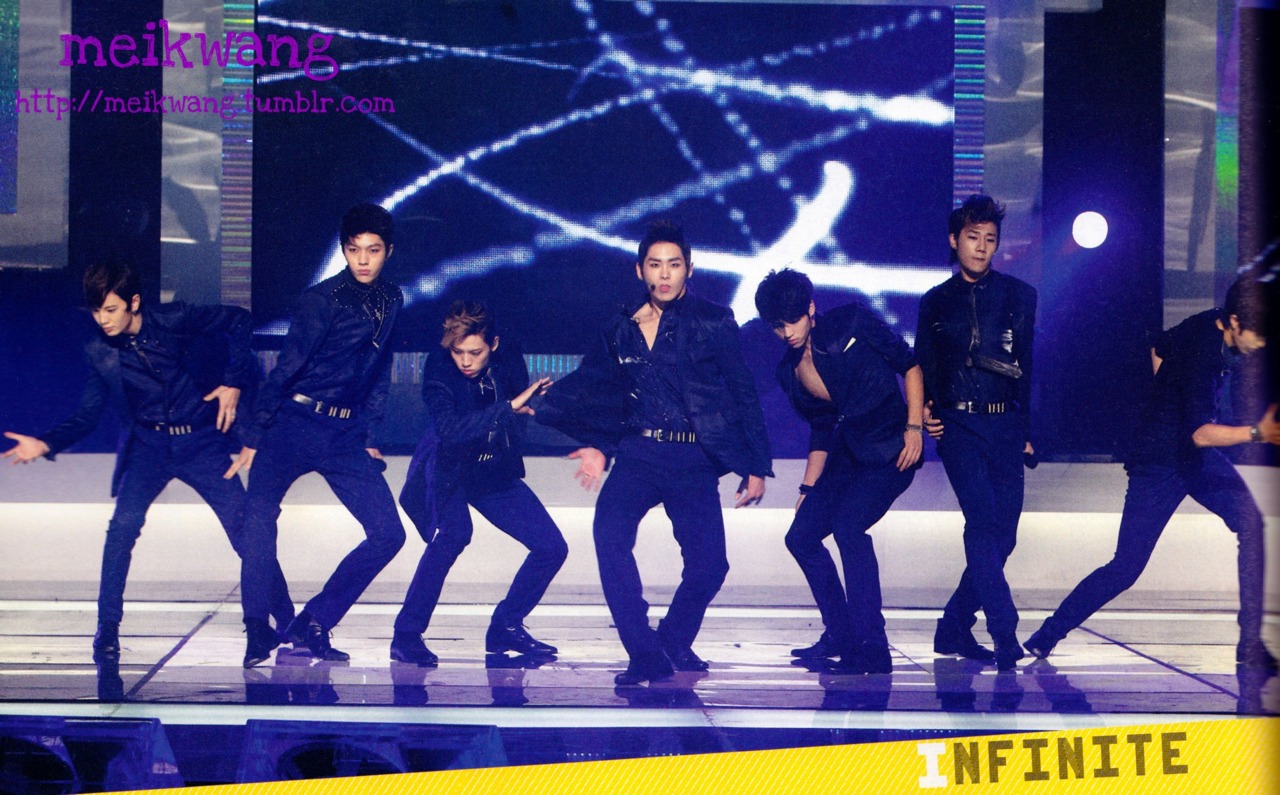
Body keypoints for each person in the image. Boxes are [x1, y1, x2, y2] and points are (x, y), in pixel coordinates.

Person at [1, 262, 292, 656]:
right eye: (96, 311)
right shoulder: (100, 351)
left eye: (111, 310)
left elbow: (240, 320)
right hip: (148, 448)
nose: (103, 320)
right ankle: (107, 630)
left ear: (133, 303)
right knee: (121, 530)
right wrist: (45, 443)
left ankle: (285, 621)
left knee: (245, 529)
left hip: (200, 442)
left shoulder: (175, 319)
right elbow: (88, 415)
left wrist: (233, 382)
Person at [536, 220, 773, 686]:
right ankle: (643, 651)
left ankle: (674, 639)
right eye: (655, 265)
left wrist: (756, 465)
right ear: (640, 270)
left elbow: (743, 391)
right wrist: (591, 442)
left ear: (689, 269)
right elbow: (596, 389)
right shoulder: (620, 328)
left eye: (674, 265)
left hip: (692, 459)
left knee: (710, 566)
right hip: (638, 453)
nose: (664, 274)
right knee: (609, 536)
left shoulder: (713, 320)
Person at [1026, 276, 1276, 674]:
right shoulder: (1204, 357)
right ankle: (1048, 633)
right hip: (1159, 463)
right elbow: (1201, 433)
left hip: (1191, 457)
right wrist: (1257, 433)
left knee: (1252, 524)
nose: (1260, 344)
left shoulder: (1208, 319)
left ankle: (1250, 645)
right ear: (1234, 321)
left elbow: (1159, 347)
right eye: (1258, 335)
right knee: (1126, 566)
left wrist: (1164, 398)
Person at [227, 203, 406, 668]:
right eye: (354, 249)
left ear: (388, 251)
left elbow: (379, 367)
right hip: (291, 423)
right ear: (344, 250)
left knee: (389, 533)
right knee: (258, 518)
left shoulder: (393, 298)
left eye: (373, 250)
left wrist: (369, 432)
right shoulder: (320, 299)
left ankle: (314, 621)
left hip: (343, 433)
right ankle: (257, 628)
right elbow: (287, 366)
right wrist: (254, 433)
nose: (363, 260)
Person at [754, 269, 924, 674]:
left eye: (792, 321)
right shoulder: (788, 372)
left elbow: (910, 365)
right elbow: (822, 426)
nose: (786, 332)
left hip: (891, 450)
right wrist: (808, 487)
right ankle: (841, 634)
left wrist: (915, 427)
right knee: (801, 537)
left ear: (810, 309)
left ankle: (873, 646)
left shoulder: (852, 321)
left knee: (849, 528)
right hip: (846, 458)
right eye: (777, 326)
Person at [392, 300, 567, 666]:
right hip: (449, 469)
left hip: (492, 469)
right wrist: (506, 409)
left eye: (475, 353)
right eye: (458, 352)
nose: (466, 362)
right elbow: (451, 431)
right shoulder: (439, 368)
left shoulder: (508, 358)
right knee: (454, 535)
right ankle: (406, 634)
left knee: (552, 547)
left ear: (494, 345)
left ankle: (506, 625)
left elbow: (524, 404)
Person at [915, 194, 1037, 671]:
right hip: (959, 426)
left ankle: (953, 624)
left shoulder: (1020, 295)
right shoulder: (935, 301)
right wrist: (926, 412)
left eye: (990, 239)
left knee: (1004, 536)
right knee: (982, 523)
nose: (982, 247)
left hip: (1005, 424)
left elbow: (1028, 364)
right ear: (954, 240)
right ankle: (1004, 631)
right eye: (973, 237)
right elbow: (923, 364)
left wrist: (1026, 426)